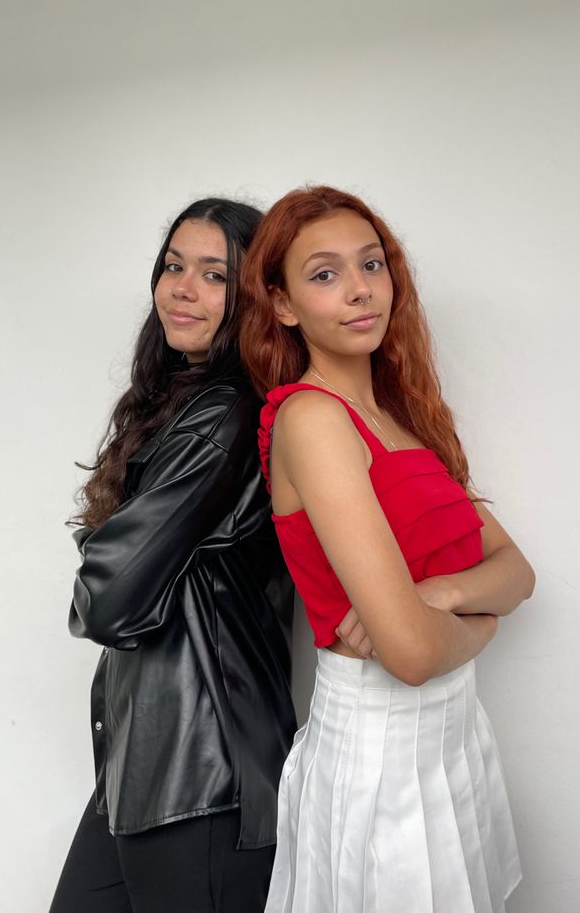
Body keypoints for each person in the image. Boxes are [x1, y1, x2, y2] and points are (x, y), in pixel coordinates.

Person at [239, 186, 535, 913]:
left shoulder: (402, 419)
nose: (360, 289)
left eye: (371, 264)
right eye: (325, 274)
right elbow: (406, 654)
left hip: (455, 734)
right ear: (282, 305)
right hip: (378, 747)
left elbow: (518, 572)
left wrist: (443, 596)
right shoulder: (311, 419)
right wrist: (483, 621)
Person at [50, 198, 297, 913]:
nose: (182, 288)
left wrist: (104, 553)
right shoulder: (183, 403)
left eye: (215, 275)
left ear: (251, 295)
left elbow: (108, 597)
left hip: (202, 775)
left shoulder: (223, 413)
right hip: (147, 766)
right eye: (173, 266)